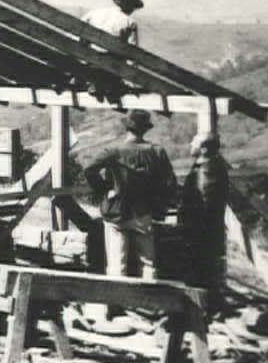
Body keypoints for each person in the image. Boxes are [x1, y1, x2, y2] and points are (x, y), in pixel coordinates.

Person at [84, 108, 178, 291]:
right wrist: (158, 203)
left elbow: (89, 170)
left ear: (127, 128)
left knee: (117, 264)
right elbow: (170, 183)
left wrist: (105, 188)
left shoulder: (113, 151)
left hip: (115, 212)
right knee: (149, 263)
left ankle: (116, 303)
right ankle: (150, 303)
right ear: (145, 129)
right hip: (143, 212)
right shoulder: (157, 151)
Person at [180, 129, 232, 311]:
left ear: (202, 148)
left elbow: (201, 204)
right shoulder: (213, 166)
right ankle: (207, 306)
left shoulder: (205, 171)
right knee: (208, 269)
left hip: (201, 231)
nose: (190, 145)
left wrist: (186, 226)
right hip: (210, 230)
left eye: (194, 142)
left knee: (200, 269)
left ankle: (201, 309)